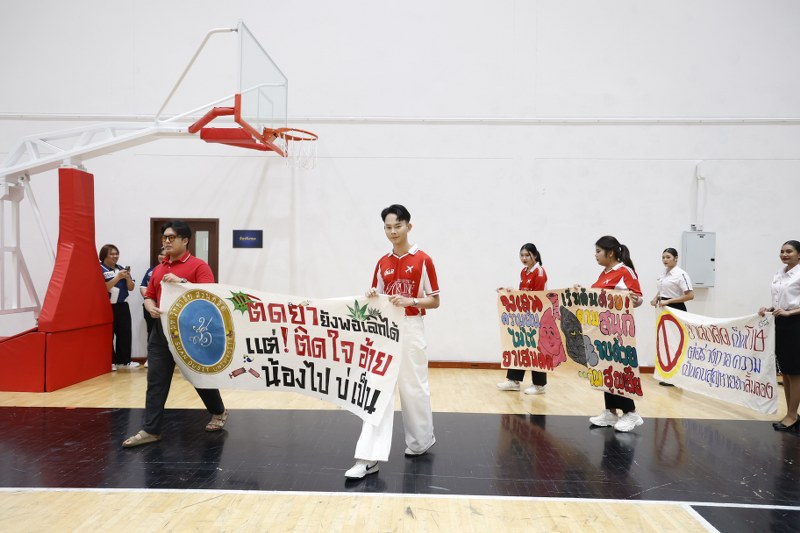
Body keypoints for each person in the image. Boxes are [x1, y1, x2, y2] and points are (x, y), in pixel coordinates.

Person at [345, 204, 440, 479]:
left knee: (414, 388)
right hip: (385, 331)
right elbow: (376, 298)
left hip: (411, 327)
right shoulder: (382, 263)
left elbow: (435, 300)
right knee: (377, 389)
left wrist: (412, 301)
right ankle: (368, 458)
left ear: (409, 226)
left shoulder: (423, 260)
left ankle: (421, 441)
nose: (392, 231)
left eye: (397, 226)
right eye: (387, 227)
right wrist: (371, 294)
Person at [122, 220, 229, 448]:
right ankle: (151, 430)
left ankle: (218, 410)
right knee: (156, 381)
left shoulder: (199, 266)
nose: (167, 242)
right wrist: (150, 306)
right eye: (164, 238)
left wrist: (182, 282)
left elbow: (209, 296)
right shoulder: (159, 269)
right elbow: (149, 295)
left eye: (171, 237)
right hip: (161, 332)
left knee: (198, 378)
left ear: (185, 240)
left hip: (190, 333)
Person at [583, 235, 644, 433]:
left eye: (598, 251)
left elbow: (638, 298)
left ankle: (631, 413)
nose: (595, 255)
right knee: (606, 370)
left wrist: (633, 299)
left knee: (619, 370)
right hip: (602, 332)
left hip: (618, 333)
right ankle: (610, 412)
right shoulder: (604, 273)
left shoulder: (625, 271)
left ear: (610, 253)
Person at [759, 240, 800, 433]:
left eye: (789, 251)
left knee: (795, 372)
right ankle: (791, 414)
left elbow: (791, 306)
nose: (784, 254)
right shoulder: (780, 273)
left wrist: (790, 312)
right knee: (786, 371)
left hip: (796, 324)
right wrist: (769, 309)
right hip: (781, 323)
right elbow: (781, 301)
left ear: (799, 254)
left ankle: (792, 415)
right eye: (782, 251)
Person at [496, 243, 549, 394]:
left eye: (527, 255)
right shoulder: (524, 272)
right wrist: (510, 292)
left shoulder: (539, 273)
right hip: (525, 316)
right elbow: (523, 294)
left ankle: (539, 385)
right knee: (519, 346)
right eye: (522, 255)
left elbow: (536, 297)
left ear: (535, 255)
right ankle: (514, 380)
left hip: (538, 316)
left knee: (536, 350)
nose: (524, 258)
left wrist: (517, 293)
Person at [649, 247, 694, 386]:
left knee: (675, 343)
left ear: (676, 258)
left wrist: (668, 301)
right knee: (666, 342)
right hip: (664, 309)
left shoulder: (681, 274)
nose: (665, 260)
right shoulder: (664, 273)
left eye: (668, 257)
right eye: (663, 257)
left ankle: (677, 377)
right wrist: (656, 297)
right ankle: (669, 375)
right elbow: (662, 290)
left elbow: (690, 295)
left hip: (676, 309)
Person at [100, 244, 139, 371]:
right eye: (112, 254)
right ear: (104, 255)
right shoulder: (99, 269)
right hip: (107, 306)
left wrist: (127, 278)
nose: (115, 256)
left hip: (122, 305)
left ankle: (124, 361)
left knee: (125, 333)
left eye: (116, 253)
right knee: (108, 334)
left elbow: (131, 288)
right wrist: (117, 277)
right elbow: (104, 288)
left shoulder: (121, 268)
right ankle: (110, 361)